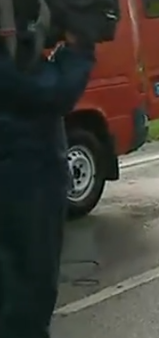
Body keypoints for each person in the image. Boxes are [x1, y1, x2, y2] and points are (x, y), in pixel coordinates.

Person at [0, 33, 95, 338]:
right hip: (25, 181)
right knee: (26, 295)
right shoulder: (14, 67)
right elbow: (53, 90)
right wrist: (80, 47)